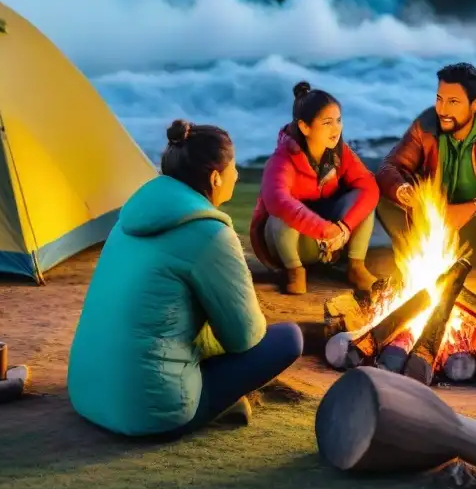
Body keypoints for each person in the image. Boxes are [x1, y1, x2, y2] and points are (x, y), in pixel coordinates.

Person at [67, 119, 303, 438]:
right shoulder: (210, 234)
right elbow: (243, 338)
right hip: (152, 412)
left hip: (87, 394)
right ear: (216, 177)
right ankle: (214, 403)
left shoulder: (130, 219)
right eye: (233, 167)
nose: (236, 174)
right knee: (289, 338)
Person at [376, 62, 476, 288]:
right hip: (437, 227)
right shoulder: (427, 123)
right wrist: (403, 191)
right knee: (382, 196)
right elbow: (389, 167)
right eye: (439, 98)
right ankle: (418, 258)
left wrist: (473, 207)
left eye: (453, 102)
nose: (442, 109)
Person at [250, 82, 381, 295]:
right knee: (282, 215)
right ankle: (295, 271)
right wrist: (325, 230)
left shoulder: (340, 152)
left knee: (363, 200)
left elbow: (369, 186)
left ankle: (356, 267)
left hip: (332, 241)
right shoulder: (282, 159)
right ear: (304, 127)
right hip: (293, 244)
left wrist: (344, 227)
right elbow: (277, 200)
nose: (336, 128)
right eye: (327, 122)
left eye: (338, 120)